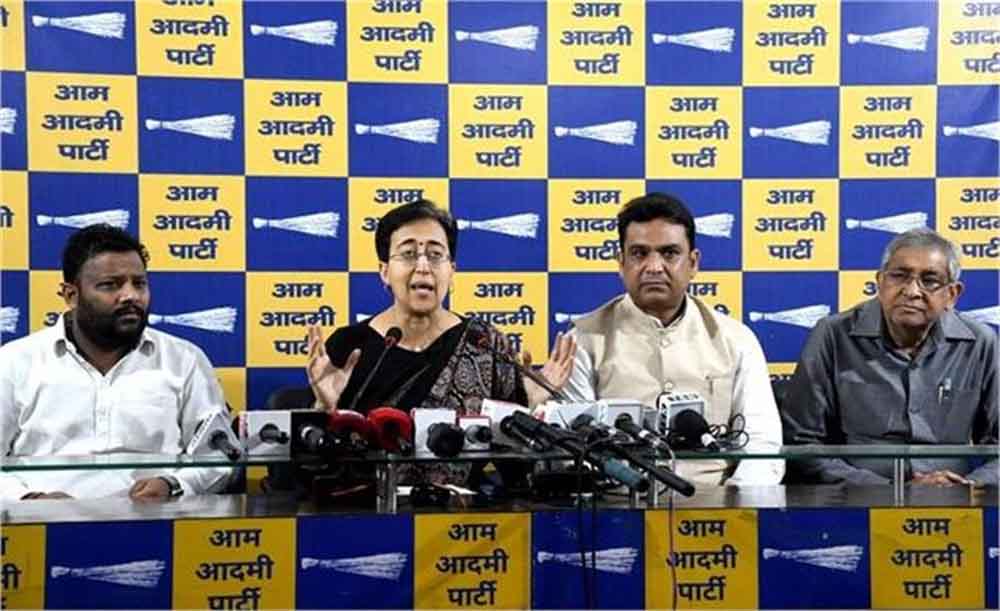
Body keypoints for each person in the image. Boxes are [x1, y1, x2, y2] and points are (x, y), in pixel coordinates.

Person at [305, 199, 575, 483]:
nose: (423, 266)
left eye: (435, 255)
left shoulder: (485, 343)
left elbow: (513, 467)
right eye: (408, 254)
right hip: (367, 503)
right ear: (384, 271)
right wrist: (323, 408)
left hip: (462, 506)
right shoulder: (350, 346)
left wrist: (527, 404)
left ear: (452, 270)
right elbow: (315, 465)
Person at [563, 193, 784, 486]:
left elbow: (763, 444)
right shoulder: (582, 341)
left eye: (669, 254)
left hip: (718, 502)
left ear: (693, 263)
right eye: (639, 254)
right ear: (621, 263)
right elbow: (575, 447)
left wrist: (731, 503)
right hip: (619, 501)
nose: (654, 267)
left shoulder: (737, 339)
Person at [0, 225, 233, 502]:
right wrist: (30, 500)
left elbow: (219, 456)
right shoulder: (14, 362)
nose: (130, 296)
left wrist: (174, 485)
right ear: (71, 295)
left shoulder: (184, 360)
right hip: (40, 523)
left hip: (158, 520)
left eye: (139, 283)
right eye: (110, 285)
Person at [782, 228, 997, 486]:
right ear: (880, 282)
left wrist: (969, 485)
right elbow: (802, 444)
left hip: (955, 498)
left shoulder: (980, 343)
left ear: (952, 294)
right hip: (857, 498)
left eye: (929, 280)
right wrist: (889, 490)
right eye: (899, 276)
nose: (912, 291)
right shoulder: (833, 335)